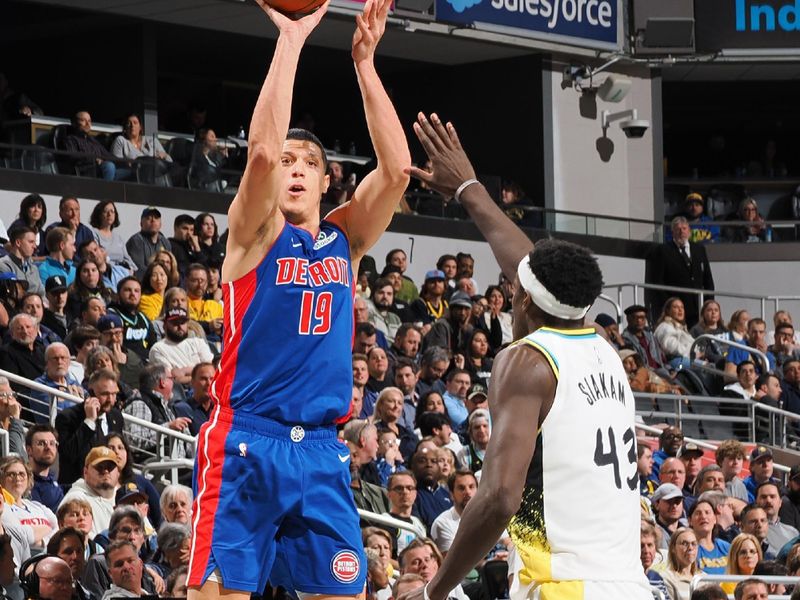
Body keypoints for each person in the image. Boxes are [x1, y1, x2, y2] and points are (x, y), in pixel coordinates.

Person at [187, 1, 410, 598]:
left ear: (326, 178)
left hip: (320, 449)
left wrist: (365, 63)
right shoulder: (254, 231)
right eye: (288, 161)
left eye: (308, 162)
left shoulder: (347, 239)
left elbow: (397, 171)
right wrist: (290, 38)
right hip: (246, 440)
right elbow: (259, 154)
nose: (294, 169)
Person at [54, 369, 125, 485]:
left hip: (108, 486)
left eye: (114, 394)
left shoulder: (116, 416)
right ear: (91, 394)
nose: (111, 400)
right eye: (105, 394)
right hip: (78, 486)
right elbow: (68, 455)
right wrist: (89, 421)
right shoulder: (68, 417)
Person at [646, 216, 715, 328]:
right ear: (672, 232)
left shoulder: (699, 249)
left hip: (698, 307)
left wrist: (708, 302)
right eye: (678, 229)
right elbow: (658, 281)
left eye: (684, 228)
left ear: (689, 231)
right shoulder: (663, 251)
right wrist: (669, 305)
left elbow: (707, 278)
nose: (681, 232)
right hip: (676, 309)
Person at [63, 111, 121, 181]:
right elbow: (73, 156)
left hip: (100, 170)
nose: (87, 124)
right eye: (83, 120)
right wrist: (94, 159)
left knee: (131, 173)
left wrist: (126, 163)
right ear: (74, 123)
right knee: (109, 166)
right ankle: (105, 191)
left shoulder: (92, 140)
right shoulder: (71, 139)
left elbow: (107, 155)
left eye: (89, 121)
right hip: (86, 172)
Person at [125, 207, 172, 279]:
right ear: (141, 223)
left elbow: (171, 267)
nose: (153, 220)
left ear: (160, 224)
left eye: (156, 218)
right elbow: (139, 270)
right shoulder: (136, 241)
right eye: (148, 218)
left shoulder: (165, 242)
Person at [89, 200, 135, 271]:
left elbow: (127, 258)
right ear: (99, 215)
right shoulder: (93, 233)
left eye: (112, 211)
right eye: (105, 211)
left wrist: (131, 269)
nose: (109, 214)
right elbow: (97, 257)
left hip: (122, 273)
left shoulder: (118, 238)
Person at [0, 226, 44, 297]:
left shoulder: (34, 269)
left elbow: (42, 294)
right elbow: (13, 295)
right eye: (31, 242)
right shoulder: (3, 265)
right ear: (18, 242)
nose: (35, 246)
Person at [660, 527, 700, 600]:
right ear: (673, 548)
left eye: (693, 544)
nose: (690, 548)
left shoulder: (703, 578)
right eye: (685, 543)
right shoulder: (666, 578)